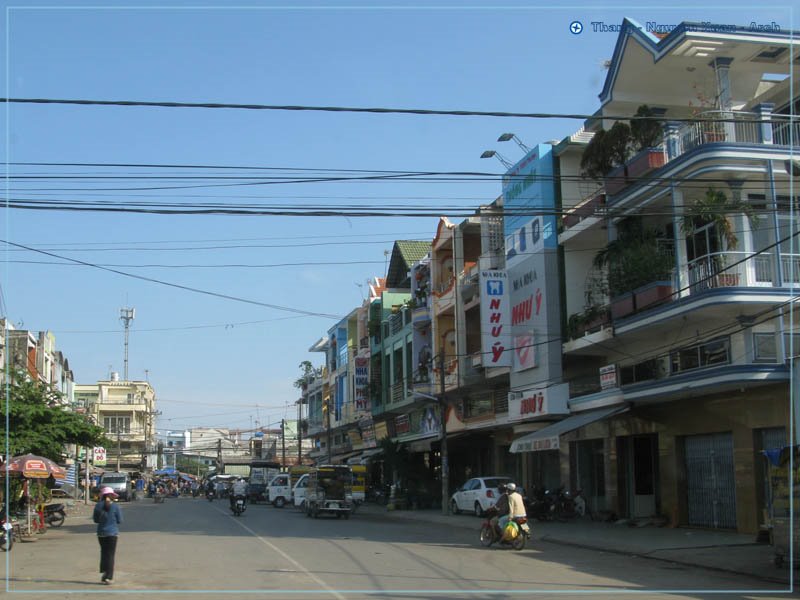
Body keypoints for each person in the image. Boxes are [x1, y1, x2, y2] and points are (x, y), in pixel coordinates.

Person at [93, 486, 123, 585]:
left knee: (104, 552)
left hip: (101, 533)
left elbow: (95, 520)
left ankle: (104, 573)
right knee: (110, 555)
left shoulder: (97, 506)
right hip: (112, 534)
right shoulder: (115, 506)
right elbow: (120, 520)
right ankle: (108, 577)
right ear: (112, 496)